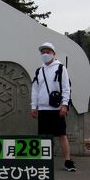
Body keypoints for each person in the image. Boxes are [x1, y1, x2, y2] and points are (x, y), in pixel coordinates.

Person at [30, 42, 76, 171]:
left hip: (57, 108)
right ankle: (44, 162)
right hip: (43, 108)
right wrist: (34, 106)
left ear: (53, 53)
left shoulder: (61, 68)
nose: (45, 54)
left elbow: (66, 88)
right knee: (44, 136)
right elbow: (35, 90)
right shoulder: (40, 70)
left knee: (62, 134)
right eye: (43, 52)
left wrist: (65, 105)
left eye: (48, 52)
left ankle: (68, 161)